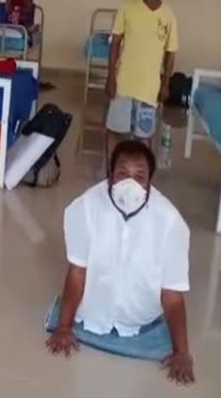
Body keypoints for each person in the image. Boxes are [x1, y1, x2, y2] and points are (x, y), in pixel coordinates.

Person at [45, 141, 194, 385]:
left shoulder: (171, 224)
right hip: (90, 313)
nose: (130, 184)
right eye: (123, 174)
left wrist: (181, 353)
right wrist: (64, 326)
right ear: (110, 176)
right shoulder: (84, 208)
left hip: (140, 319)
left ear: (150, 184)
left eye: (139, 177)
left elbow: (172, 295)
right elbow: (77, 271)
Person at [106, 0, 179, 169]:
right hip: (124, 85)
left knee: (144, 137)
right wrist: (111, 77)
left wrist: (165, 85)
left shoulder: (168, 14)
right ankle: (112, 174)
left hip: (150, 89)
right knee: (115, 131)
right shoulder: (127, 6)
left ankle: (141, 177)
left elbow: (171, 53)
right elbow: (116, 43)